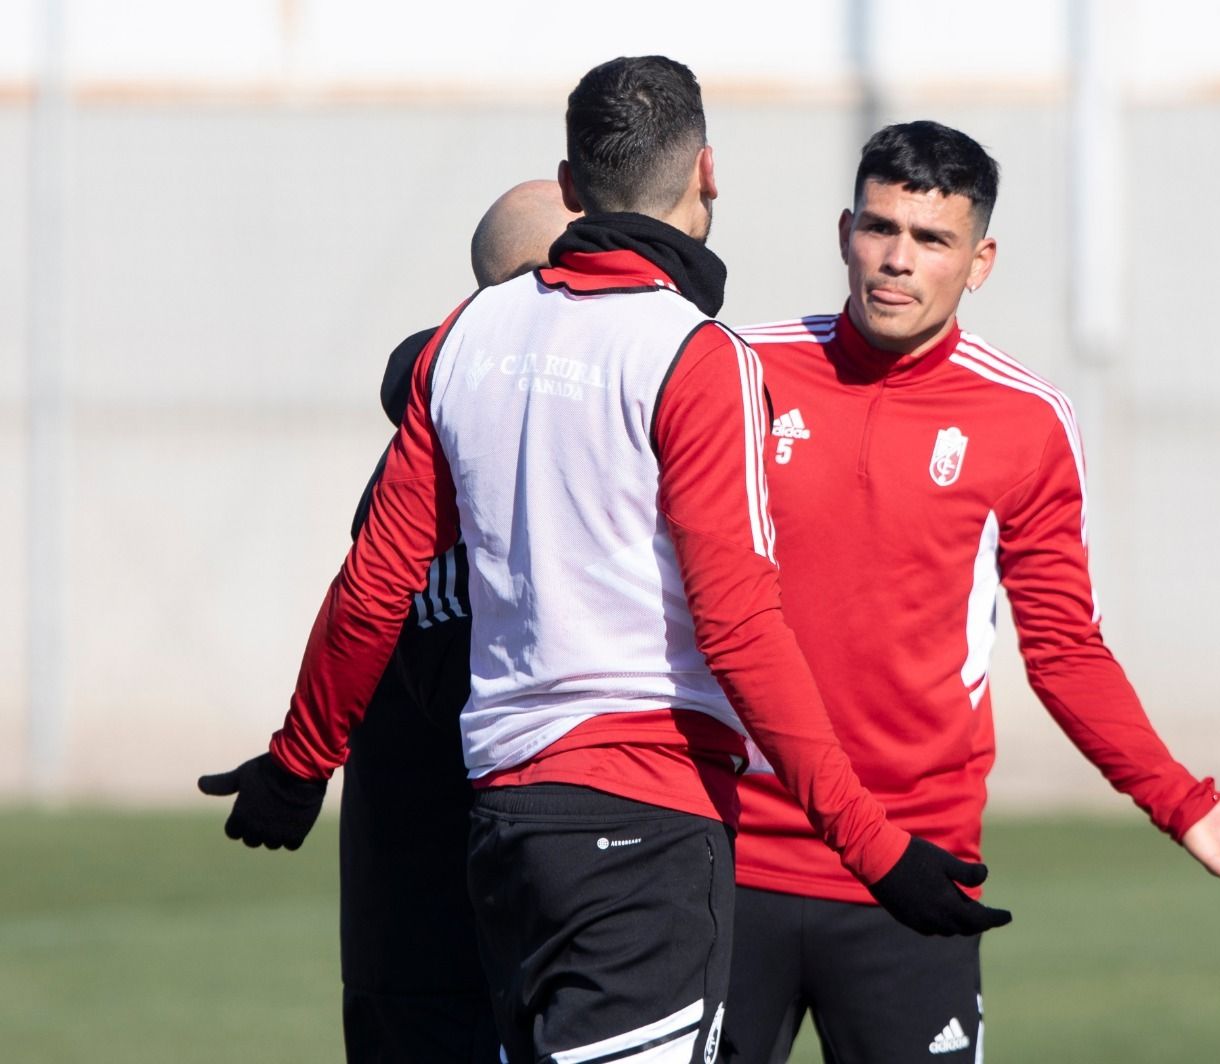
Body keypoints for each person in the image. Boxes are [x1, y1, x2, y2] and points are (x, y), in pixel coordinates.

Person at [199, 59, 1006, 1064]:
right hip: (645, 832)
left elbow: (373, 585)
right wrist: (873, 845)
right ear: (707, 170)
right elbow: (741, 626)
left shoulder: (467, 335)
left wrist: (299, 760)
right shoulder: (696, 355)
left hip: (503, 824)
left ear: (572, 185)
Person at [719, 120, 1220, 1064]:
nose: (897, 262)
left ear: (980, 259)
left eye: (932, 240)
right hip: (724, 860)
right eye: (880, 229)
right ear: (844, 231)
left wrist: (1184, 803)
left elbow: (1065, 648)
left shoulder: (1026, 420)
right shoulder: (735, 370)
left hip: (913, 874)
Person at [329, 179, 578, 1064]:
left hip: (521, 914)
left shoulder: (546, 436)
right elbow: (449, 677)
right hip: (439, 938)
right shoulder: (446, 454)